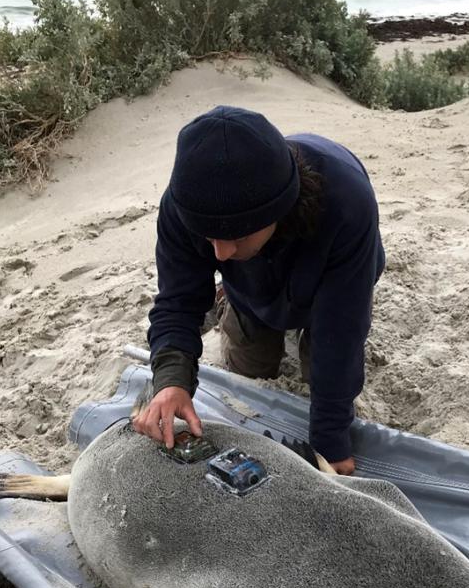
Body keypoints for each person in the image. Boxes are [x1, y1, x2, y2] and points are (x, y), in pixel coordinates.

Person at [133, 106, 385, 475]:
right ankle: (237, 300)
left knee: (323, 356)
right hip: (251, 283)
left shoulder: (346, 202)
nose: (219, 253)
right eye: (209, 237)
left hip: (334, 271)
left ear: (279, 209)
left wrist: (330, 442)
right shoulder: (185, 203)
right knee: (251, 362)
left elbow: (342, 330)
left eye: (235, 235)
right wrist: (171, 382)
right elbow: (177, 301)